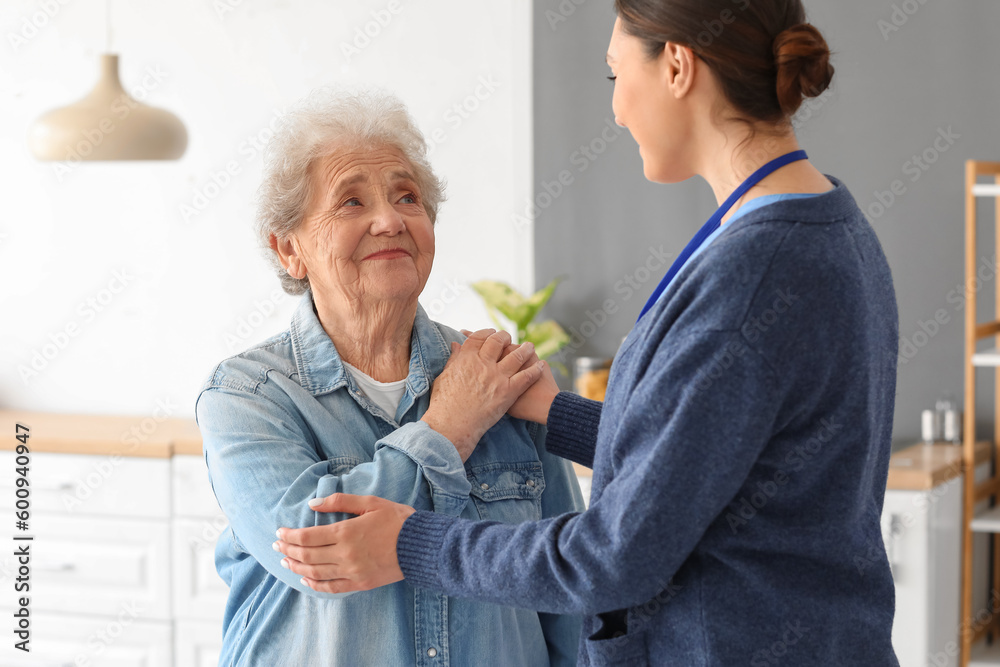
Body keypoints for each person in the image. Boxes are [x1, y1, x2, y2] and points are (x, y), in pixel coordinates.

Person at [272, 1, 902, 665]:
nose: (618, 110)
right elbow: (707, 461)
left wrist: (409, 543)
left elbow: (612, 556)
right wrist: (556, 414)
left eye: (614, 76)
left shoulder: (748, 278)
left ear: (679, 66)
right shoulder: (830, 227)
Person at [194, 87, 585, 667]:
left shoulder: (499, 372)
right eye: (350, 202)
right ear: (289, 249)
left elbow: (568, 580)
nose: (389, 220)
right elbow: (316, 544)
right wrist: (448, 428)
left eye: (408, 197)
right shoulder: (245, 394)